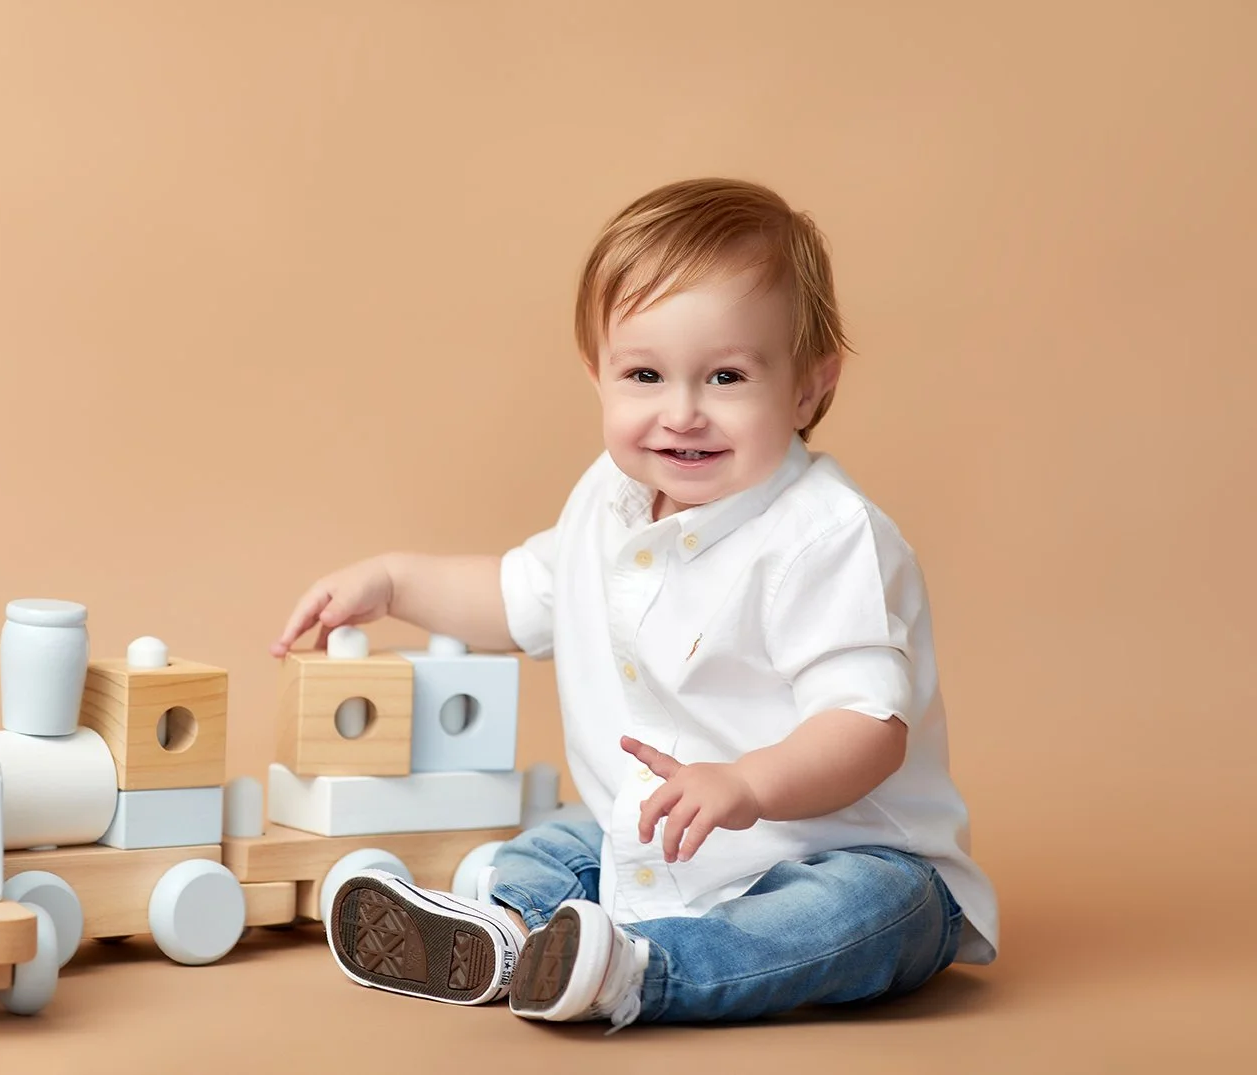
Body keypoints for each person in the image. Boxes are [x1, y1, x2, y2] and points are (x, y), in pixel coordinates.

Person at [268, 177, 998, 1032]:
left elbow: (867, 724)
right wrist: (394, 582)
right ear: (598, 377)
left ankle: (642, 971)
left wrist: (747, 783)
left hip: (829, 846)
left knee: (868, 910)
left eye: (726, 377)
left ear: (805, 389)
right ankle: (505, 934)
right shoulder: (608, 500)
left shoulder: (824, 536)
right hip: (663, 839)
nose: (681, 413)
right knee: (562, 839)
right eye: (644, 374)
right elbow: (518, 594)